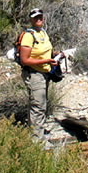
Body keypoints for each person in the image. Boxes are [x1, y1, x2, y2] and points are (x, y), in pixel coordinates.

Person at [19, 7, 63, 142]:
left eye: (40, 17)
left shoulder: (43, 33)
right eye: (35, 17)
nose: (39, 19)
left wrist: (54, 56)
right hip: (34, 74)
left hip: (44, 73)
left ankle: (36, 134)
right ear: (31, 20)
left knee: (38, 104)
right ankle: (36, 141)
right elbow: (24, 60)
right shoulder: (28, 36)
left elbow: (44, 51)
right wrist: (46, 60)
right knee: (39, 107)